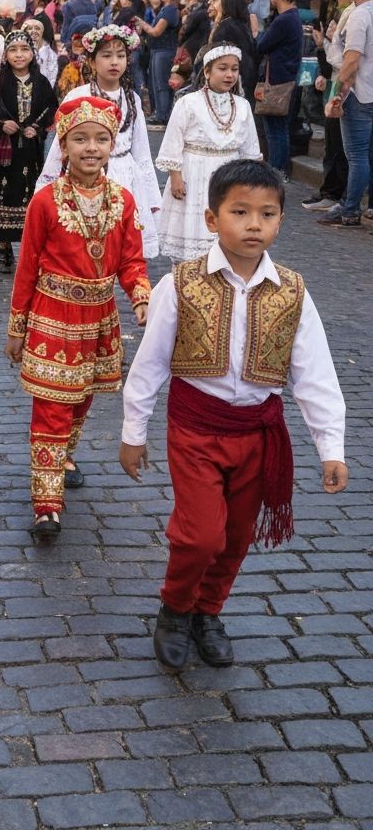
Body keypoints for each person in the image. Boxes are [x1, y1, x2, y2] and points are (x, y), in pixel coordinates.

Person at [121, 159, 346, 670]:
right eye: (239, 211)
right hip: (196, 429)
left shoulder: (293, 290)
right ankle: (175, 609)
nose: (253, 224)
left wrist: (330, 446)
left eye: (266, 214)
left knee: (238, 535)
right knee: (200, 535)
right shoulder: (180, 285)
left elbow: (314, 373)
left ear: (281, 221)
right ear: (210, 218)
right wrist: (134, 432)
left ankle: (208, 610)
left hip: (258, 433)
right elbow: (150, 362)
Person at [5, 97, 150, 540]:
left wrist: (141, 297)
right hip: (52, 318)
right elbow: (27, 265)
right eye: (80, 139)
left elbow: (131, 260)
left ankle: (62, 458)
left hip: (100, 319)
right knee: (51, 408)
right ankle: (46, 504)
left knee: (81, 401)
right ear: (63, 146)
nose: (91, 148)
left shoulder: (123, 201)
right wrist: (17, 326)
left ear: (112, 144)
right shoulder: (45, 202)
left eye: (101, 139)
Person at [37, 24, 162, 258]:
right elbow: (60, 148)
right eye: (106, 55)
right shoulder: (79, 96)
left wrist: (152, 198)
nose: (114, 62)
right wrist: (46, 188)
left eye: (120, 55)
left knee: (122, 251)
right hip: (86, 176)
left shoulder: (132, 99)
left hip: (125, 177)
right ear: (92, 62)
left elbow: (143, 153)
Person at [156, 43, 261, 262]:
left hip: (229, 174)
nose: (229, 74)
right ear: (207, 71)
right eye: (222, 68)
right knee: (193, 232)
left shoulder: (242, 106)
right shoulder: (188, 103)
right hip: (194, 172)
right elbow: (174, 140)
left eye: (234, 69)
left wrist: (250, 183)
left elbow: (250, 148)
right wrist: (175, 177)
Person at [0, 29, 57, 273]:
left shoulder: (41, 82)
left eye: (24, 49)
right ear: (5, 54)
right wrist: (1, 124)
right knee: (4, 195)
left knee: (31, 198)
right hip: (3, 154)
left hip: (30, 152)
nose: (19, 55)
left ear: (32, 53)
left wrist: (37, 128)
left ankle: (31, 249)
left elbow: (52, 108)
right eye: (13, 50)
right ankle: (4, 247)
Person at [320, 0, 373, 228]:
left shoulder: (361, 15)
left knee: (357, 155)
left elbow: (351, 60)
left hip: (360, 94)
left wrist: (335, 95)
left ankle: (350, 209)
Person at [303, 0, 357, 214]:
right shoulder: (340, 8)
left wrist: (326, 45)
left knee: (341, 145)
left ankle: (339, 195)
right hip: (336, 78)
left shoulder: (357, 12)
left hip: (348, 84)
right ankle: (330, 191)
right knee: (332, 140)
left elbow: (348, 55)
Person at [255, 0, 303, 179]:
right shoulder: (293, 17)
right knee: (279, 129)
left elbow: (262, 45)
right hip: (286, 79)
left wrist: (256, 32)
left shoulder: (284, 20)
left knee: (275, 131)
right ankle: (279, 171)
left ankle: (276, 172)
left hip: (277, 83)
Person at [135, 0, 181, 129]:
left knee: (161, 84)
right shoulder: (164, 9)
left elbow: (156, 31)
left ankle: (163, 115)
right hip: (156, 51)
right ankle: (158, 112)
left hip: (165, 51)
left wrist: (142, 24)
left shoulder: (170, 10)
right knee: (154, 83)